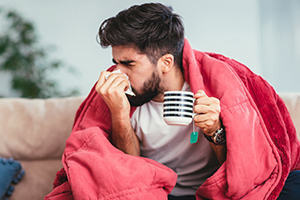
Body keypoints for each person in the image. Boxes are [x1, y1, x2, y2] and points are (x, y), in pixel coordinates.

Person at [45, 3, 300, 200]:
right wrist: (119, 113)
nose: (118, 73)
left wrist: (215, 131)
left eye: (129, 64)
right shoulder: (120, 96)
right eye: (116, 63)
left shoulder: (214, 87)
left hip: (212, 191)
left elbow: (240, 171)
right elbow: (124, 172)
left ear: (166, 62)